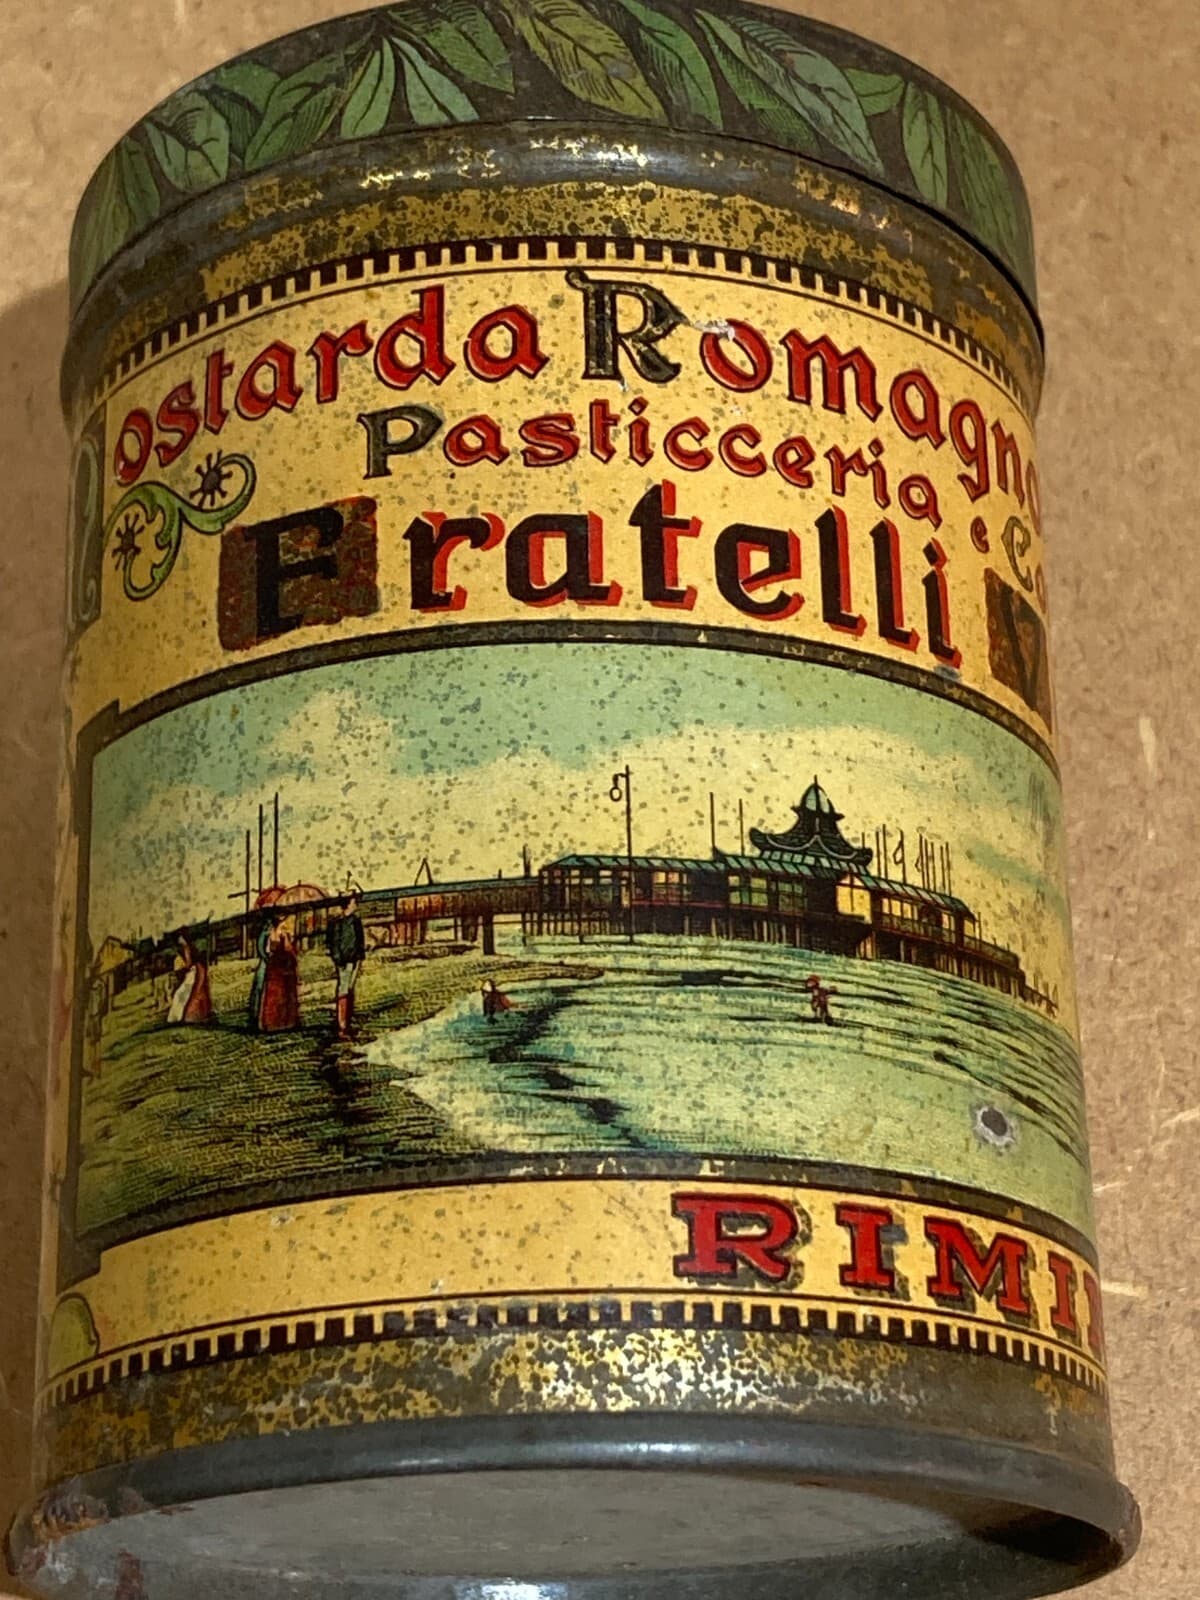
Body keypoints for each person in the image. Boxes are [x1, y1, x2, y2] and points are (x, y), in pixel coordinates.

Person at [326, 892, 366, 1041]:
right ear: (348, 904)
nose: (356, 905)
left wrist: (360, 958)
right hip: (343, 961)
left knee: (350, 990)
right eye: (354, 902)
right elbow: (333, 944)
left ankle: (347, 1022)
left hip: (354, 960)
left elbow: (360, 941)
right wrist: (339, 960)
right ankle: (342, 1026)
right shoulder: (337, 923)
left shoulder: (356, 921)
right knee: (343, 990)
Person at [259, 914, 300, 1033]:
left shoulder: (270, 935)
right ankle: (285, 1022)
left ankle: (271, 1023)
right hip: (283, 967)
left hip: (273, 967)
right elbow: (289, 950)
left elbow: (267, 951)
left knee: (274, 995)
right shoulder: (283, 935)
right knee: (284, 994)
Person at [167, 932, 212, 1025]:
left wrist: (182, 967)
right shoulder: (187, 948)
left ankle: (184, 1016)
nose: (180, 940)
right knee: (193, 992)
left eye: (181, 938)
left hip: (194, 972)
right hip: (196, 970)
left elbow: (188, 964)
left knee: (185, 993)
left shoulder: (186, 948)